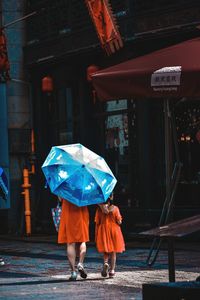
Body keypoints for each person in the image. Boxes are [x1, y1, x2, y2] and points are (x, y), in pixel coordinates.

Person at [58, 197, 89, 281]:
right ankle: (80, 263)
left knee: (70, 243)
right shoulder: (84, 185)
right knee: (82, 240)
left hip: (68, 212)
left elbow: (60, 199)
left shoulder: (64, 184)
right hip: (81, 212)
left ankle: (73, 272)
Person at [95, 193, 125, 278]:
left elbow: (97, 221)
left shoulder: (99, 209)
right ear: (111, 198)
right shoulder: (115, 208)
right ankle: (112, 270)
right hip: (114, 230)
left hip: (104, 230)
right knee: (113, 251)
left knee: (106, 250)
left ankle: (105, 263)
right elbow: (119, 221)